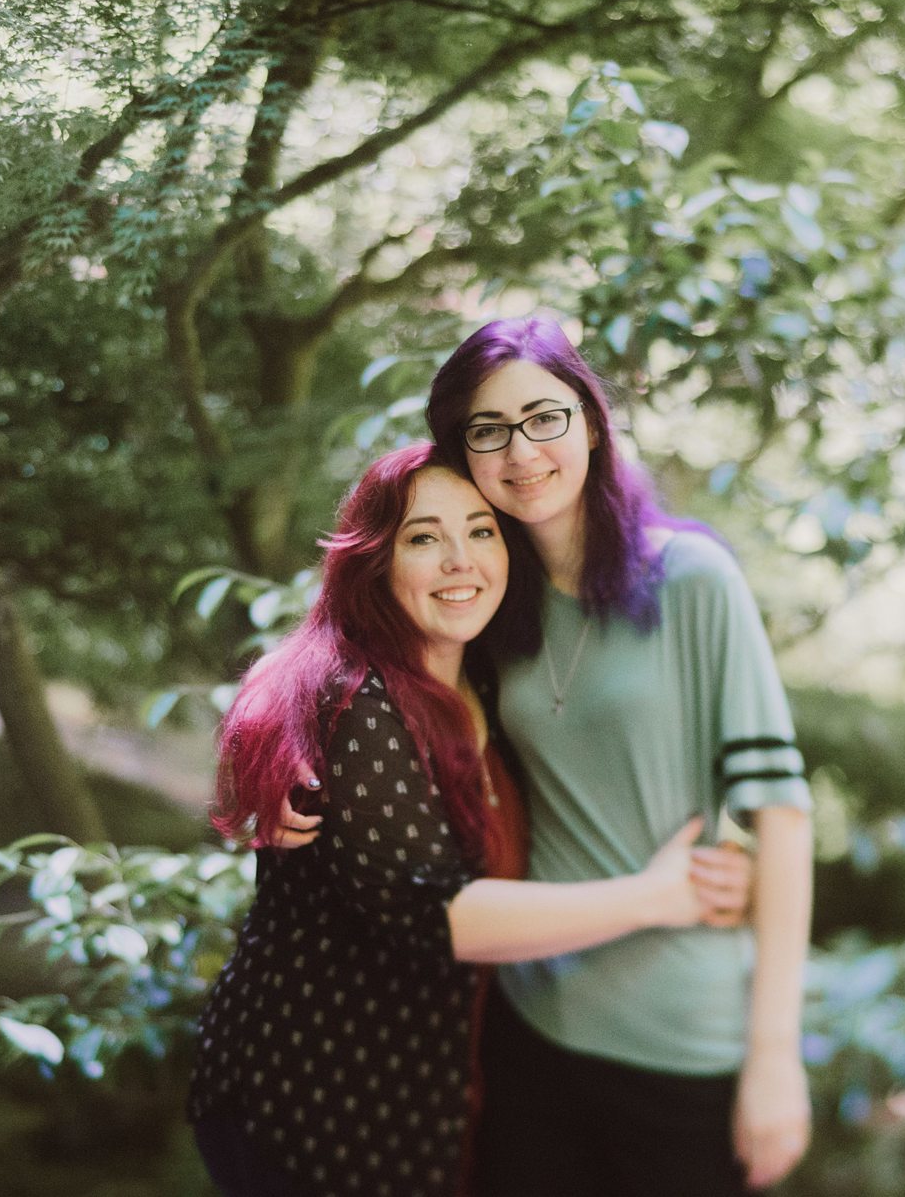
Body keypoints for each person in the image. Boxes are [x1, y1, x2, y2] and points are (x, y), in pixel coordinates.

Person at [188, 442, 749, 1197]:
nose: (460, 559)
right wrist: (658, 896)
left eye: (481, 530)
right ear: (376, 559)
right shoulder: (358, 701)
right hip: (307, 1097)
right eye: (424, 537)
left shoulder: (491, 681)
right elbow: (434, 908)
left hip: (423, 1101)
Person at [422, 316, 816, 1196]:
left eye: (543, 417)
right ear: (464, 454)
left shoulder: (691, 580)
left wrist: (774, 1057)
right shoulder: (486, 599)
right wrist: (295, 789)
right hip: (531, 1023)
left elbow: (782, 820)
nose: (521, 451)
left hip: (678, 1041)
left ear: (592, 422)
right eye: (488, 430)